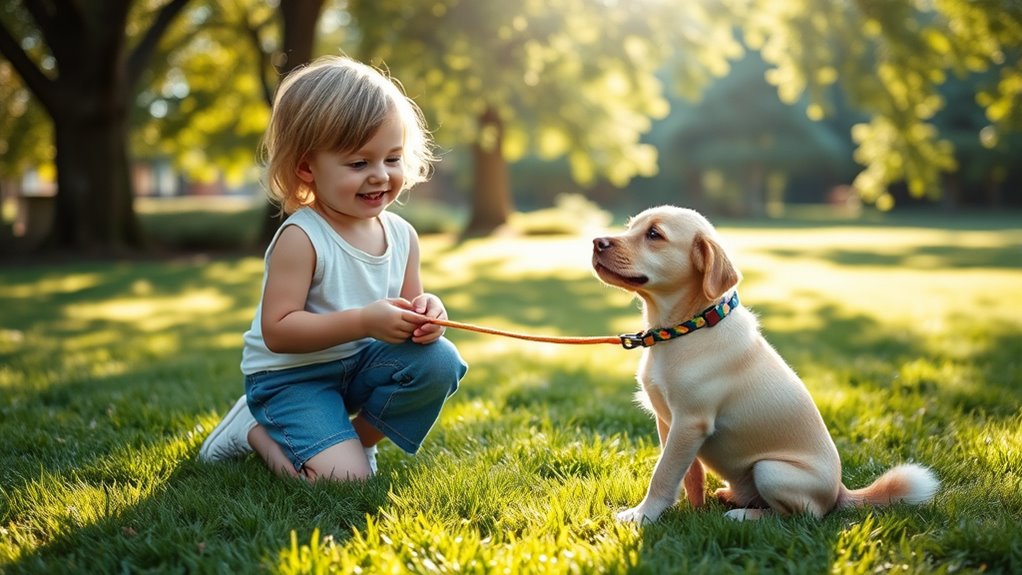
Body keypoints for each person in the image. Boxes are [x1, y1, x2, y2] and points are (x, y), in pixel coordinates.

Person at [198, 55, 467, 482]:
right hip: (291, 378)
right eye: (359, 164)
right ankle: (253, 427)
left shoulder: (402, 235)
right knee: (344, 482)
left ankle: (354, 440)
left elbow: (410, 313)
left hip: (356, 367)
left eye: (392, 159)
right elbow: (279, 330)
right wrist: (363, 320)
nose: (380, 176)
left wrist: (429, 314)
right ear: (307, 167)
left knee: (438, 361)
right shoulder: (302, 237)